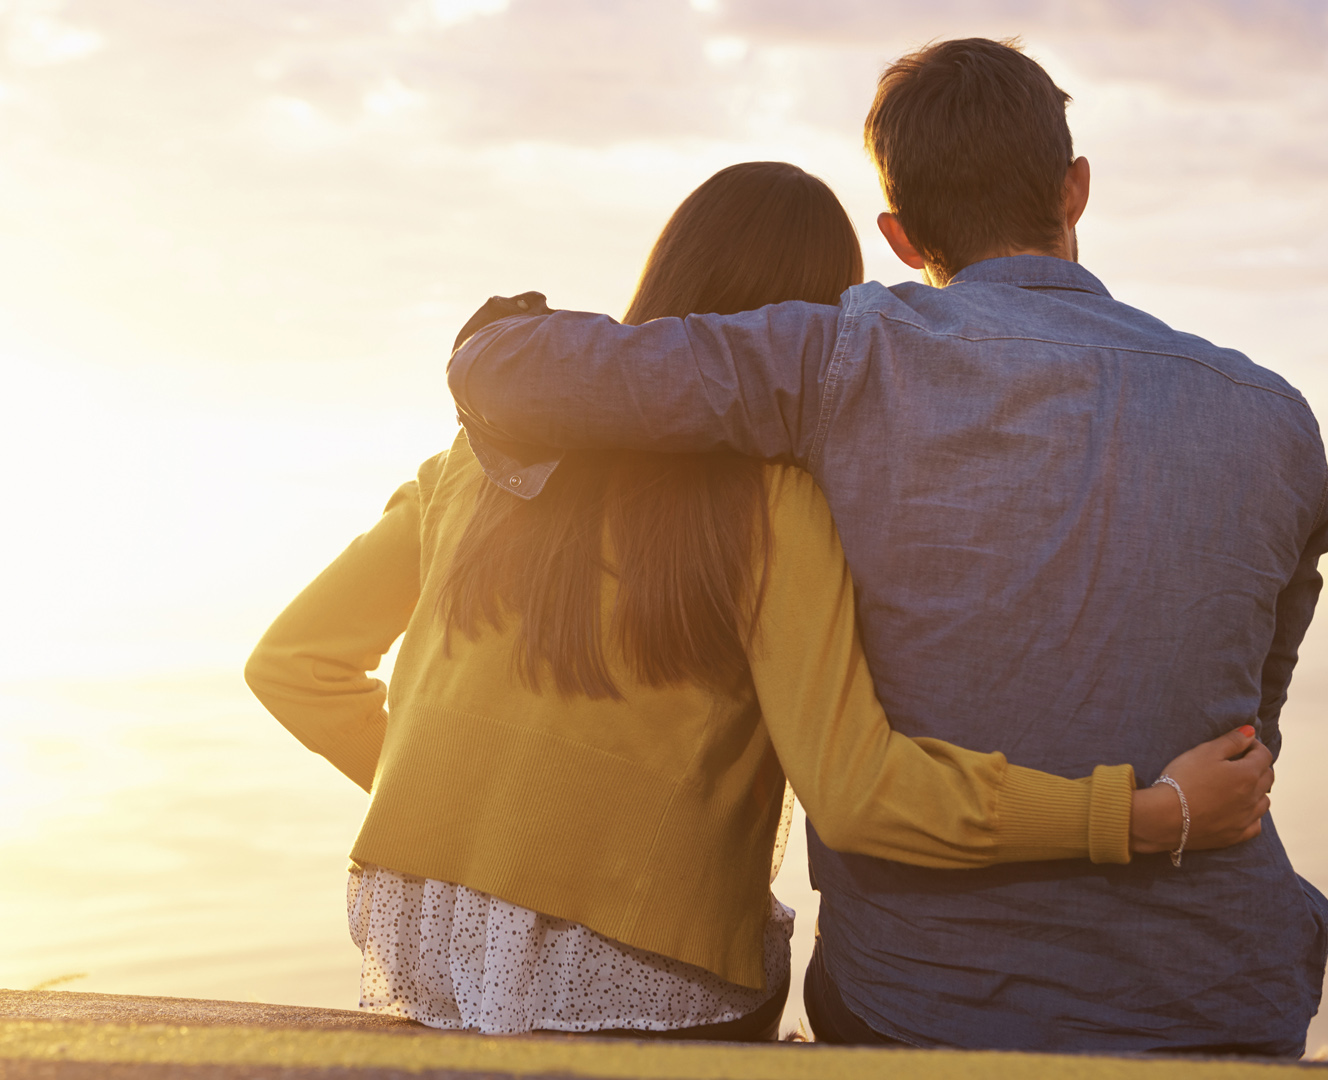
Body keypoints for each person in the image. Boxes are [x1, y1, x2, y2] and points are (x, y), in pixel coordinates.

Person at [248, 161, 1270, 1042]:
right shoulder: (776, 503)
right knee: (770, 970)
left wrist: (472, 811)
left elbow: (290, 666)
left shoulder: (477, 460)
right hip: (635, 973)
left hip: (416, 933)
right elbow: (859, 793)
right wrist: (1143, 813)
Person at [444, 42, 1328, 1056]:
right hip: (1221, 1002)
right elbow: (1253, 735)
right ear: (1074, 188)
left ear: (900, 238)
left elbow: (515, 379)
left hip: (918, 1013)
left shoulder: (839, 358)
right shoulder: (1275, 417)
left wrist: (489, 336)